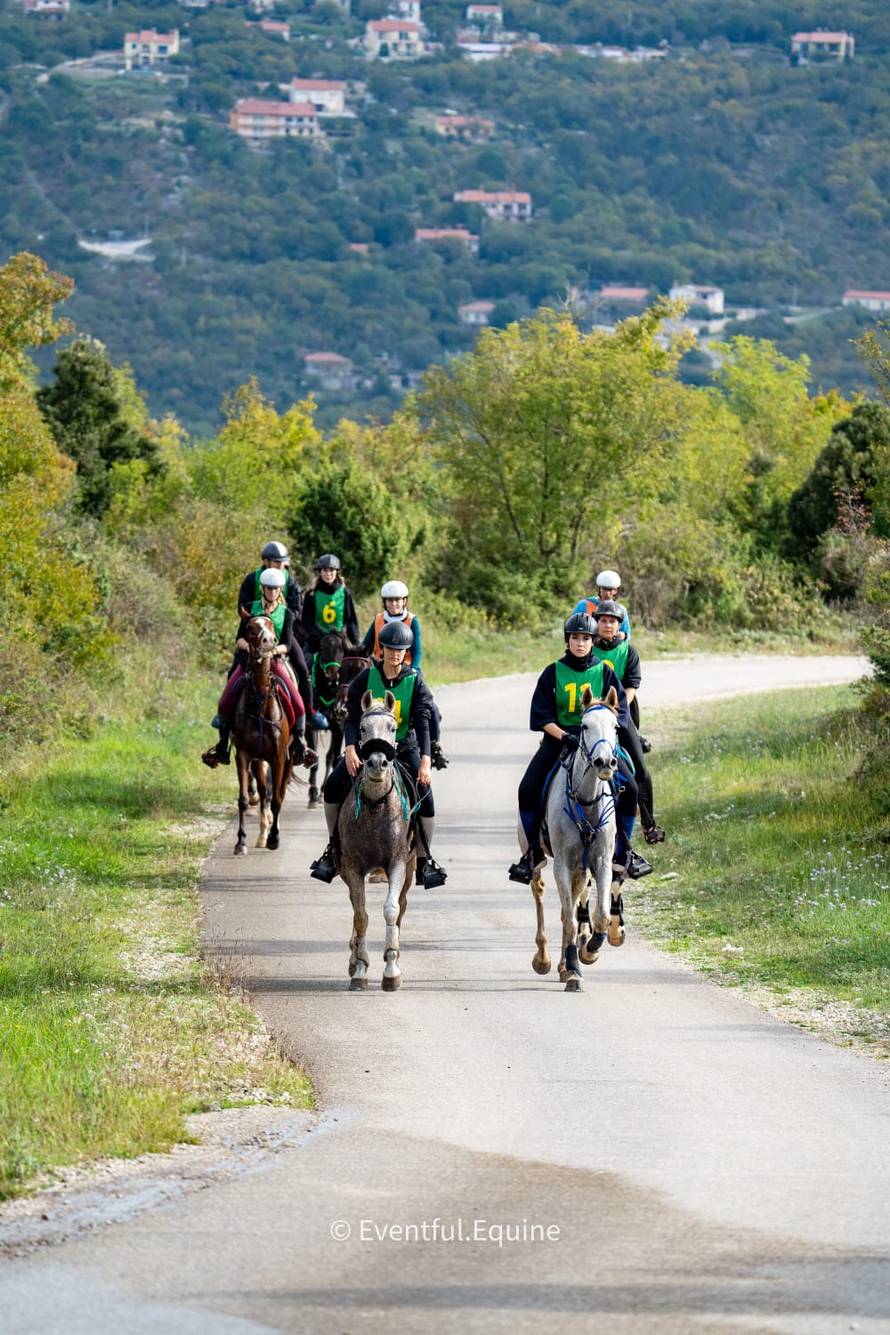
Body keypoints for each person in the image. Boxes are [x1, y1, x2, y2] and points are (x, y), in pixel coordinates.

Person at [507, 612, 652, 885]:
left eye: (586, 638)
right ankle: (533, 853)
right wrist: (564, 737)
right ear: (567, 641)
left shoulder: (605, 671)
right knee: (527, 788)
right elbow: (541, 716)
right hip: (560, 739)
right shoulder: (553, 672)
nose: (580, 643)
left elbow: (619, 713)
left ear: (593, 641)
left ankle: (624, 852)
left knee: (631, 787)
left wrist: (604, 737)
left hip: (598, 742)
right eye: (575, 638)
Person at [309, 620, 447, 889]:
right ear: (381, 650)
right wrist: (349, 748)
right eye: (390, 649)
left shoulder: (414, 680)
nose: (395, 654)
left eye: (400, 650)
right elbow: (350, 717)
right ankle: (333, 850)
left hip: (404, 748)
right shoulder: (365, 677)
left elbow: (422, 721)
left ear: (406, 653)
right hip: (366, 748)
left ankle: (424, 859)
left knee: (427, 799)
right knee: (333, 786)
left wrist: (427, 761)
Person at [202, 568, 311, 769]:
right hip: (250, 662)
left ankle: (300, 742)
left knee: (297, 700)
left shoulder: (286, 613)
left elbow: (287, 644)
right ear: (262, 589)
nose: (272, 592)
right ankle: (223, 745)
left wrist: (271, 651)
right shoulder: (250, 609)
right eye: (269, 588)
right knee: (226, 698)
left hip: (274, 662)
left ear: (280, 591)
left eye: (276, 589)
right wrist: (251, 648)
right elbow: (239, 639)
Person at [591, 600, 664, 847]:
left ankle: (649, 824)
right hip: (592, 718)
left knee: (641, 770)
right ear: (597, 623)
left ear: (619, 625)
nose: (607, 625)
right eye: (603, 621)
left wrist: (613, 708)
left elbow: (630, 689)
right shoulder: (587, 649)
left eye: (612, 621)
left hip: (620, 715)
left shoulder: (628, 652)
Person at [359, 580, 448, 769]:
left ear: (404, 601)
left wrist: (413, 670)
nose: (394, 604)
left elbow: (417, 651)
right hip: (380, 669)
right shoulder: (378, 619)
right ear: (384, 602)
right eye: (390, 601)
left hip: (408, 670)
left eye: (398, 600)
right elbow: (366, 645)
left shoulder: (412, 620)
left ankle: (434, 745)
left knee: (430, 708)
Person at [301, 554, 360, 656]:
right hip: (317, 642)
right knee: (303, 665)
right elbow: (307, 621)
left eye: (331, 570)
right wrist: (319, 636)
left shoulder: (345, 593)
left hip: (340, 641)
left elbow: (351, 620)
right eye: (325, 570)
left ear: (337, 572)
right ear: (320, 572)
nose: (328, 574)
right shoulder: (311, 594)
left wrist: (356, 642)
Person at [571, 570, 631, 640]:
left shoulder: (621, 610)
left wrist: (623, 635)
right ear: (599, 589)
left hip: (610, 648)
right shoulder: (583, 605)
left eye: (610, 590)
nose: (607, 593)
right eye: (605, 589)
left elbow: (627, 634)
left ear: (615, 590)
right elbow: (572, 627)